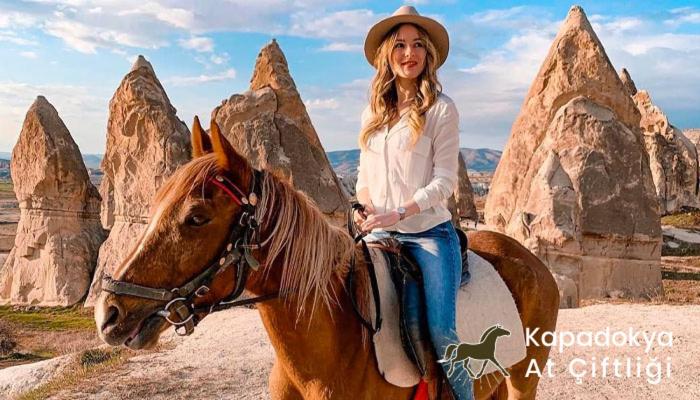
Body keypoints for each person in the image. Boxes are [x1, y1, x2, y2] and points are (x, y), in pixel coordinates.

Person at [353, 5, 473, 400]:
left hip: (428, 235)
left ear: (428, 54)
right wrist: (366, 207)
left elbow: (444, 181)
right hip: (379, 235)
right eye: (401, 44)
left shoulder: (442, 109)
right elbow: (364, 177)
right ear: (387, 53)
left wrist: (400, 212)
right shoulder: (373, 112)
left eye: (418, 44)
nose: (410, 53)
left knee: (441, 333)